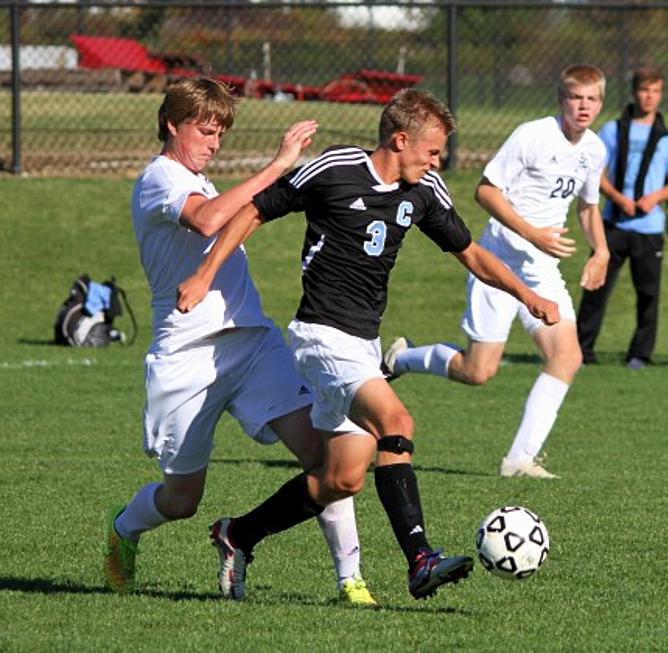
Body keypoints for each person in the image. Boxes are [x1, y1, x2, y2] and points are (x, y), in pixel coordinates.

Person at [176, 89, 560, 598]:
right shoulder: (336, 169)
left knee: (341, 479)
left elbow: (470, 253)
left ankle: (238, 534)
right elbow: (254, 212)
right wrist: (204, 275)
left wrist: (527, 294)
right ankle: (420, 559)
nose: (437, 160)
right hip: (320, 335)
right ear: (400, 140)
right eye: (432, 150)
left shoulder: (426, 191)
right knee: (397, 423)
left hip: (361, 342)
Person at [104, 77, 377, 606]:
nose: (213, 144)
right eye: (204, 132)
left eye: (220, 135)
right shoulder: (159, 178)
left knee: (323, 459)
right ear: (171, 124)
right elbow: (207, 223)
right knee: (182, 500)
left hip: (252, 343)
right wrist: (278, 165)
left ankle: (351, 580)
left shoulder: (203, 180)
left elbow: (231, 215)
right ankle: (124, 529)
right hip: (188, 355)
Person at [384, 64, 610, 480]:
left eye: (591, 99)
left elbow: (587, 206)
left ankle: (519, 460)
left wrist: (602, 251)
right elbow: (485, 191)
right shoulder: (532, 135)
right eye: (576, 98)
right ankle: (404, 358)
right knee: (478, 371)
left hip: (542, 270)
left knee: (567, 356)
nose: (583, 106)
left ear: (600, 103)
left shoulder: (595, 150)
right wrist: (532, 233)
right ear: (562, 100)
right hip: (499, 264)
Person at [577, 65, 668, 368]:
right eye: (643, 90)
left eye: (655, 91)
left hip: (649, 227)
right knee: (595, 289)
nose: (649, 97)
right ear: (634, 92)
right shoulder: (613, 131)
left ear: (661, 94)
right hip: (613, 223)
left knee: (648, 294)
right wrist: (616, 198)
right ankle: (581, 350)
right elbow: (596, 175)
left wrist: (655, 198)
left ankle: (640, 353)